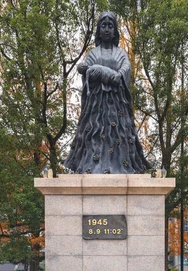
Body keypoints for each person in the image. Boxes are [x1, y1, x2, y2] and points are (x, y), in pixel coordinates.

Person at [64, 11, 151, 174]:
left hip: (116, 106)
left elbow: (121, 76)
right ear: (98, 29)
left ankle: (120, 165)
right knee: (93, 134)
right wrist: (87, 71)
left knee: (119, 134)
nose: (106, 29)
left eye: (110, 26)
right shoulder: (92, 54)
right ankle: (90, 165)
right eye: (103, 26)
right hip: (96, 106)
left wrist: (103, 72)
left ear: (115, 30)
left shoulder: (121, 54)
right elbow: (87, 75)